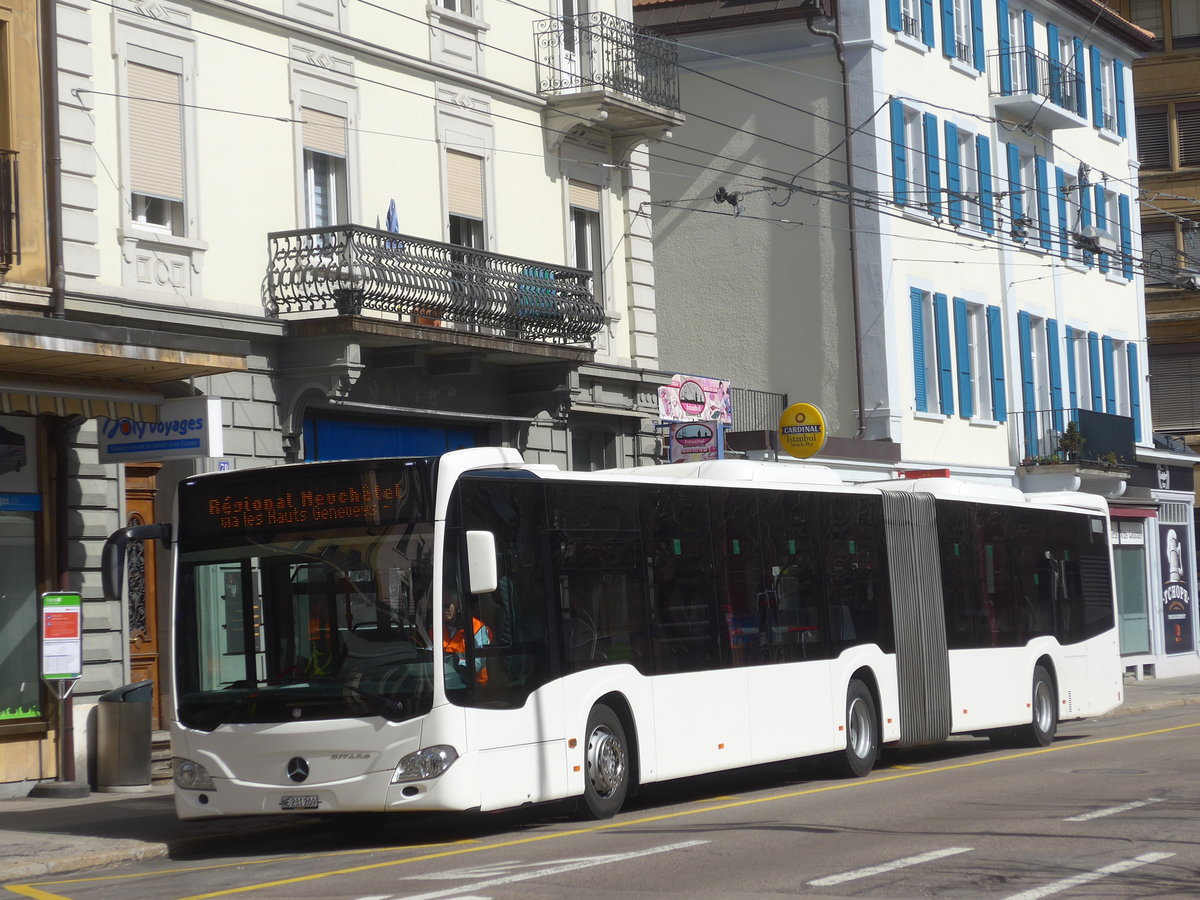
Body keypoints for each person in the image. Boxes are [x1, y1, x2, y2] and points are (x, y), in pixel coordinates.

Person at [443, 599, 492, 686]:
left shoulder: (477, 627)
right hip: (446, 681)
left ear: (457, 604)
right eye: (441, 606)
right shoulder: (435, 629)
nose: (444, 610)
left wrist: (452, 663)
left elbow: (478, 664)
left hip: (477, 685)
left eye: (447, 606)